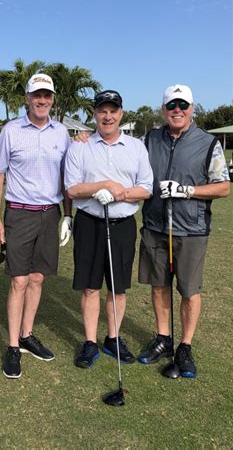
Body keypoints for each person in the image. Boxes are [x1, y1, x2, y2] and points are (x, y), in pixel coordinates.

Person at [137, 84, 230, 377]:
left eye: (183, 105)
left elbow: (223, 187)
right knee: (158, 285)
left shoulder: (208, 143)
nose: (177, 110)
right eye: (171, 105)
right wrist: (85, 139)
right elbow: (119, 151)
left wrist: (186, 190)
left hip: (191, 229)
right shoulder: (149, 139)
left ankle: (185, 346)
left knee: (189, 291)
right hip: (155, 226)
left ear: (192, 108)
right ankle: (163, 338)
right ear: (163, 110)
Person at [0, 74, 73, 379]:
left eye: (47, 95)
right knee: (19, 281)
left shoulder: (62, 132)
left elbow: (67, 176)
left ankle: (27, 334)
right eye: (37, 95)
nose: (42, 100)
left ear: (52, 99)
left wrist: (68, 215)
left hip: (50, 214)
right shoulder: (11, 130)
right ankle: (13, 345)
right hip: (19, 214)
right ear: (27, 98)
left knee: (37, 278)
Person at [64, 90, 153, 369]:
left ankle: (113, 339)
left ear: (121, 114)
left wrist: (119, 194)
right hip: (89, 223)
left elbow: (146, 188)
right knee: (90, 287)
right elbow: (72, 189)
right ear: (95, 114)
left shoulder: (136, 147)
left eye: (113, 111)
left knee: (118, 288)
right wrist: (100, 186)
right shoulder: (80, 146)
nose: (108, 116)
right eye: (102, 110)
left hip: (123, 225)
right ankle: (90, 342)